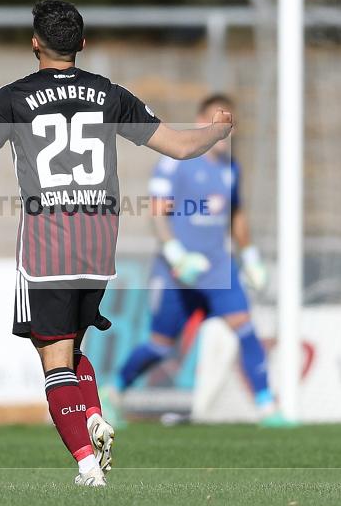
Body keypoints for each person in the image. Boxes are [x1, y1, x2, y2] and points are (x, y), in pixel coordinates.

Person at [0, 0, 233, 486]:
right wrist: (217, 130)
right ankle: (94, 417)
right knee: (73, 349)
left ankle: (87, 464)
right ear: (82, 44)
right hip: (100, 241)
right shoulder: (109, 94)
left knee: (53, 357)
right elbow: (184, 147)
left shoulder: (15, 97)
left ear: (35, 42)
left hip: (48, 243)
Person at [114, 94, 290, 427]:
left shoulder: (231, 168)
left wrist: (250, 254)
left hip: (218, 270)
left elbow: (236, 213)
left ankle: (267, 406)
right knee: (160, 346)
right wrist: (175, 252)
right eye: (217, 120)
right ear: (200, 122)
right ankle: (115, 392)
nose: (225, 129)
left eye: (229, 122)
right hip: (177, 274)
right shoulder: (175, 161)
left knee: (246, 330)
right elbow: (158, 211)